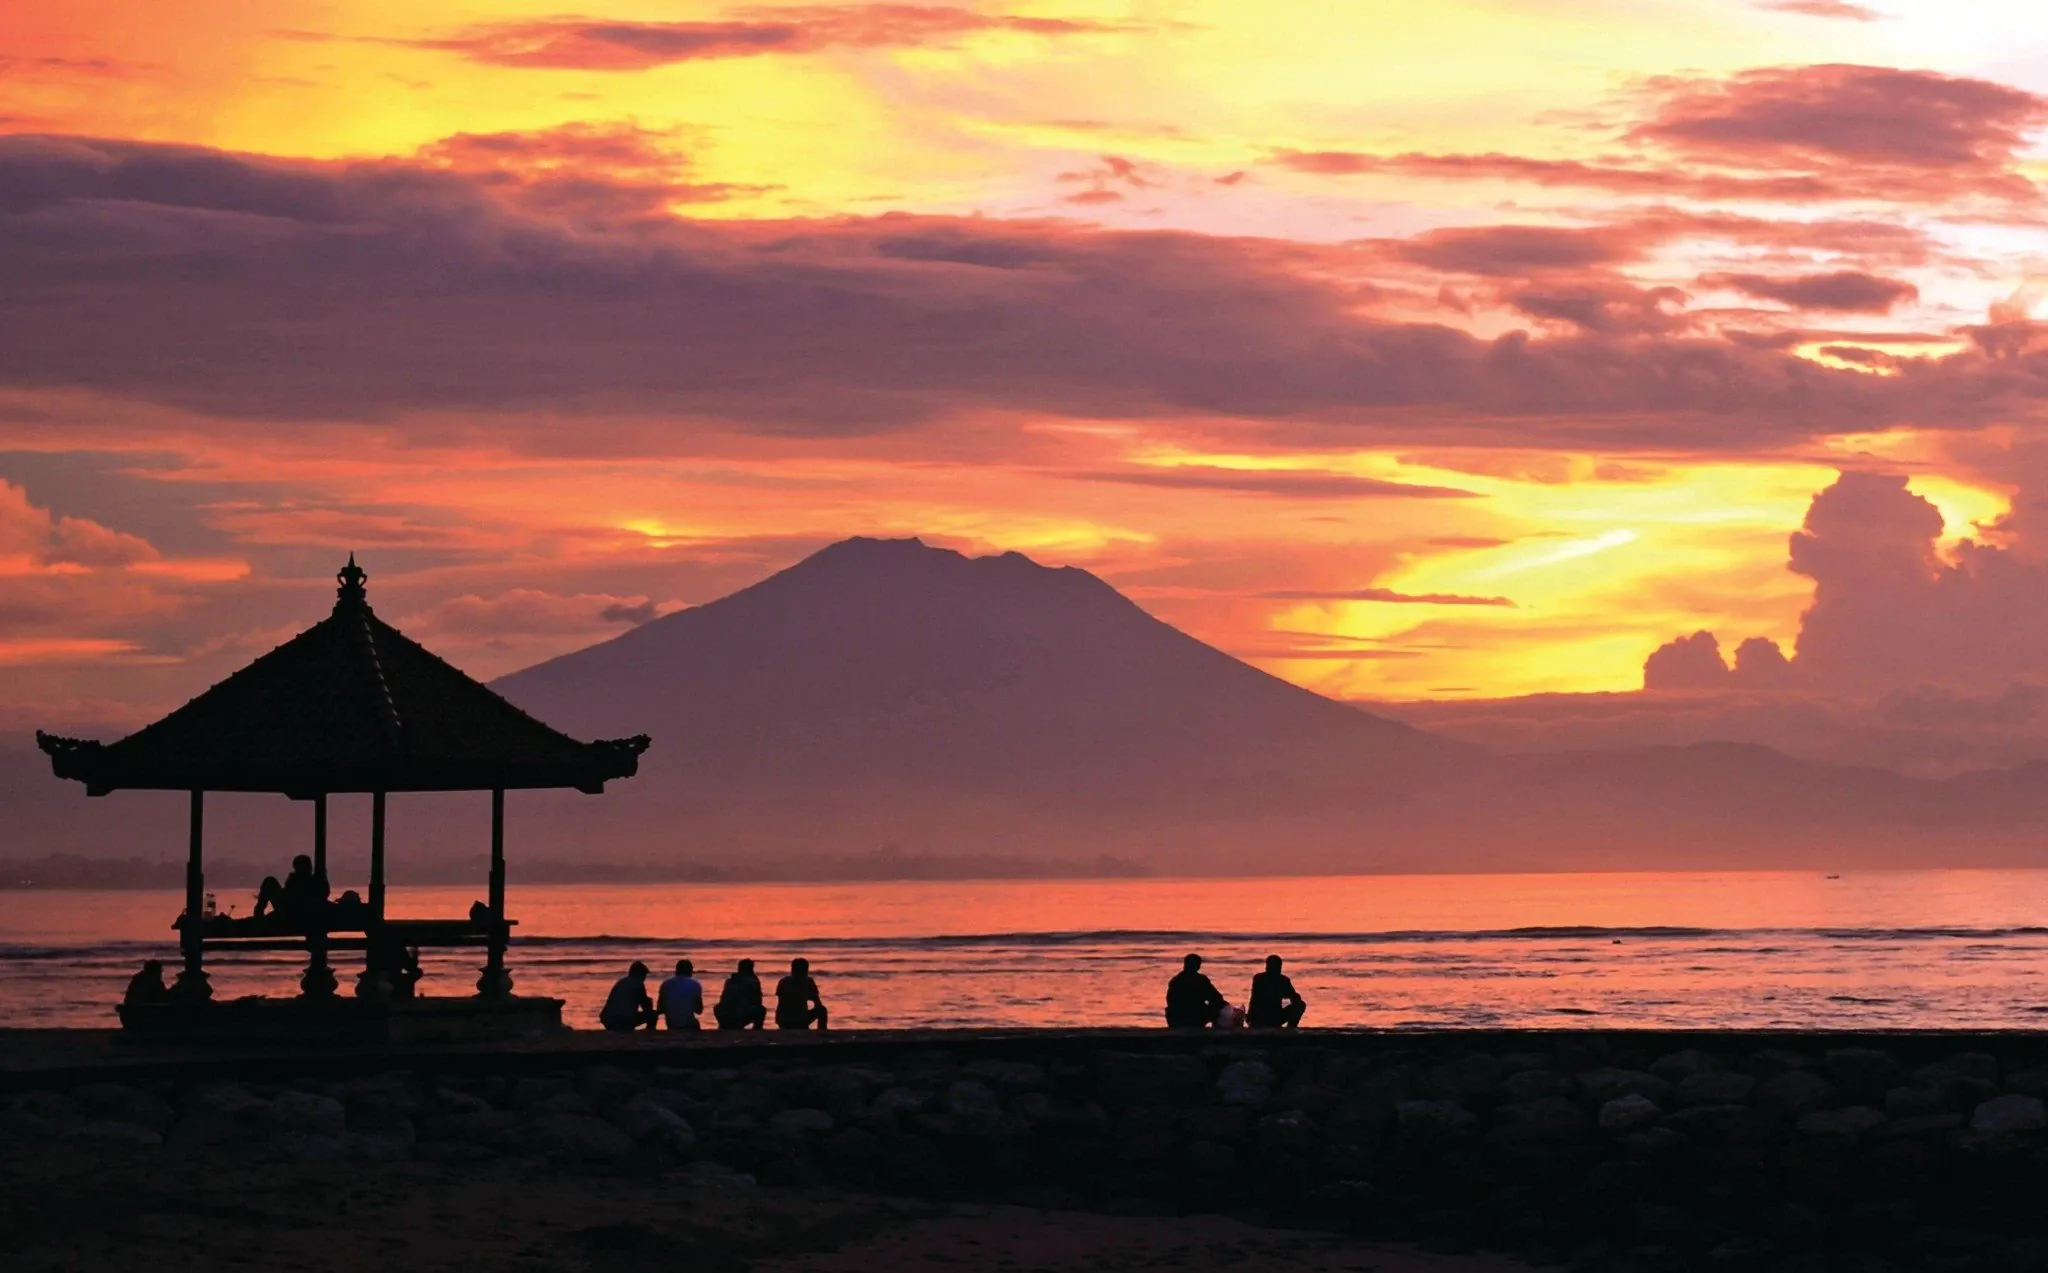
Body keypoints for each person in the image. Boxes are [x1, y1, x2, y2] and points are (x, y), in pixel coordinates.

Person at [253, 854, 328, 927]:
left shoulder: (305, 881)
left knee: (269, 881)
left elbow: (290, 898)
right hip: (292, 911)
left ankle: (259, 914)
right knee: (270, 881)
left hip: (292, 914)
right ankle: (259, 913)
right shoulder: (297, 880)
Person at [1165, 952, 1226, 1028]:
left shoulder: (1175, 980)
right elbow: (1216, 998)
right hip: (1193, 1017)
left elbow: (1170, 1001)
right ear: (1198, 966)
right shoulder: (1200, 980)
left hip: (1176, 1019)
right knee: (1216, 1007)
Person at [1247, 954, 1307, 1029]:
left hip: (1267, 1014)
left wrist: (1250, 1016)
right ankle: (1290, 1028)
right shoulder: (1282, 980)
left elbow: (1254, 999)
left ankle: (1290, 1028)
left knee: (1296, 1003)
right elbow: (1294, 997)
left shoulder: (1259, 978)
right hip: (1266, 1015)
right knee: (1299, 1004)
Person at [599, 961, 656, 1032]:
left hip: (608, 1019)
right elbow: (645, 1005)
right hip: (623, 1019)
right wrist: (650, 1003)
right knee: (653, 1015)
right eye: (644, 975)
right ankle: (649, 1033)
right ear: (639, 974)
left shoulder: (621, 982)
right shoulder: (638, 984)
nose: (645, 978)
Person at [774, 957, 828, 1031]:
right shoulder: (808, 982)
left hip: (783, 1021)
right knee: (822, 1010)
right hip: (800, 1020)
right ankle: (821, 1030)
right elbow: (817, 1003)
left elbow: (781, 1002)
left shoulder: (783, 981)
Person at [714, 959, 767, 1030]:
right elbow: (757, 1001)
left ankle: (723, 1025)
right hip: (739, 1016)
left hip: (724, 1016)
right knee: (761, 1009)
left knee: (719, 1007)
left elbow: (723, 999)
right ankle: (757, 1028)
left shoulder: (729, 981)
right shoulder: (752, 981)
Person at [658, 958, 704, 1031]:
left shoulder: (665, 983)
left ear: (676, 971)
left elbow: (661, 1009)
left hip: (671, 1023)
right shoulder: (695, 984)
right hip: (688, 1023)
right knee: (696, 1023)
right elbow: (699, 1010)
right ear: (690, 971)